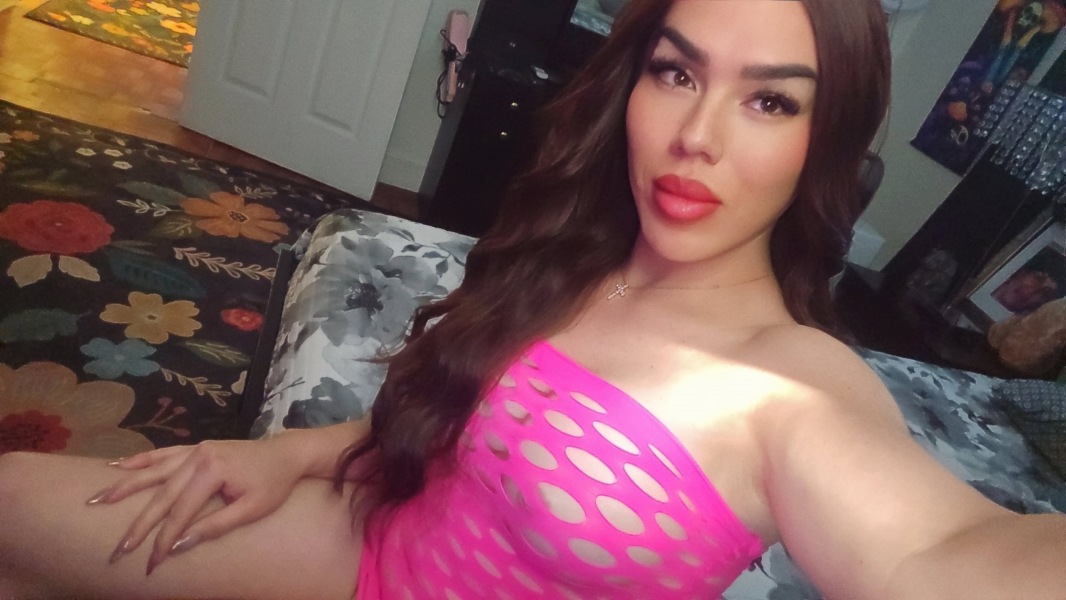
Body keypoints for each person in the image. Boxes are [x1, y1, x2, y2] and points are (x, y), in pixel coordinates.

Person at [2, 0, 1065, 598]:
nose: (697, 138)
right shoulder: (584, 253)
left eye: (771, 101)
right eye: (676, 74)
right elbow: (445, 416)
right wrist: (285, 456)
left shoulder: (794, 391)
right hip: (362, 545)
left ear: (823, 142)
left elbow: (946, 559)